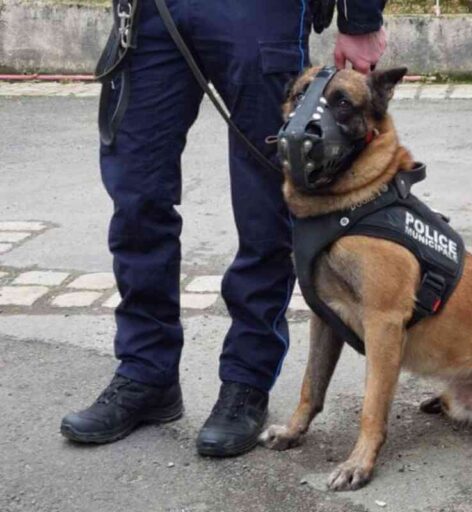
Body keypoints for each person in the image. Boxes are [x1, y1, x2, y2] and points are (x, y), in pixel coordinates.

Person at [60, 0, 388, 458]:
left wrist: (361, 18)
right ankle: (145, 371)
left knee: (266, 200)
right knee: (136, 192)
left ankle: (246, 379)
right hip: (154, 10)